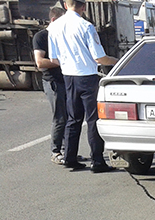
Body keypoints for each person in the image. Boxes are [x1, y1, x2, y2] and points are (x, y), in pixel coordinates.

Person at [48, 0, 118, 172]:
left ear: (65, 5)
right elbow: (99, 58)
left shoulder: (54, 27)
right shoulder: (86, 26)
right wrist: (117, 61)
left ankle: (69, 158)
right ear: (84, 6)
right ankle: (97, 161)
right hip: (87, 77)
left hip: (68, 77)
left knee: (73, 119)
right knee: (93, 119)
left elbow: (53, 59)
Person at [33, 5, 67, 165]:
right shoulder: (41, 37)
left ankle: (69, 152)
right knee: (60, 118)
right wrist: (62, 62)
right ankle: (56, 151)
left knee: (70, 117)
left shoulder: (61, 36)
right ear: (53, 20)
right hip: (52, 82)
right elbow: (40, 62)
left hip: (66, 80)